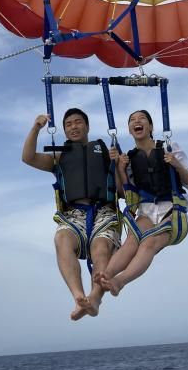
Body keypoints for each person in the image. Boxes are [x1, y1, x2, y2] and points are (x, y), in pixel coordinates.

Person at [22, 108, 121, 320]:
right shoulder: (59, 157)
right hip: (73, 214)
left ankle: (94, 299)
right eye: (68, 124)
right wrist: (36, 128)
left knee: (101, 250)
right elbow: (28, 157)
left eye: (78, 122)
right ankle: (78, 297)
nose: (73, 126)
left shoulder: (104, 151)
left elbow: (122, 190)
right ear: (65, 131)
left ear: (87, 126)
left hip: (104, 211)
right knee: (61, 239)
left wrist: (118, 163)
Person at [100, 109, 188, 296]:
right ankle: (106, 275)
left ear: (150, 126)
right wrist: (119, 168)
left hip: (173, 211)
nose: (137, 121)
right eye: (132, 120)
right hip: (146, 210)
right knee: (131, 242)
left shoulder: (170, 148)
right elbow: (124, 192)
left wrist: (176, 164)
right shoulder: (128, 158)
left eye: (142, 118)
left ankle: (120, 280)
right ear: (129, 130)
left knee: (148, 243)